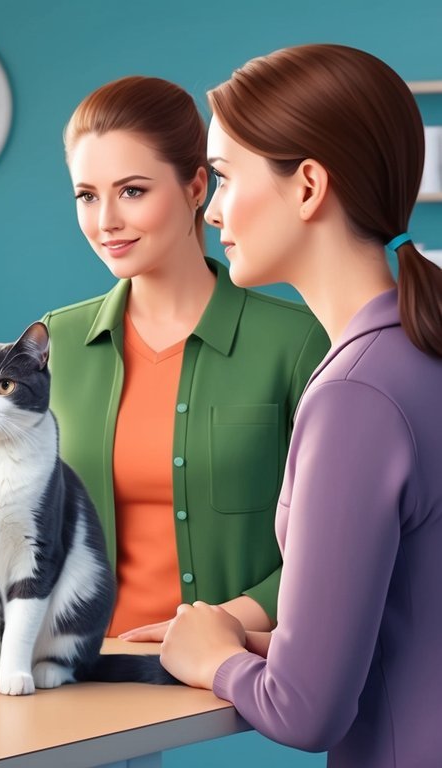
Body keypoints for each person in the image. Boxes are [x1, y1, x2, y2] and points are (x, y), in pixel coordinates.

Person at [160, 44, 442, 767]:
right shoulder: (415, 357)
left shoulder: (357, 392)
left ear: (308, 185)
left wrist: (211, 659)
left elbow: (304, 711)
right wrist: (270, 643)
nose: (211, 209)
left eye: (222, 177)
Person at [43, 76, 329, 641]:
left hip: (236, 684)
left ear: (197, 187)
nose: (105, 223)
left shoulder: (297, 344)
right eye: (86, 195)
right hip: (81, 677)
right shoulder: (57, 342)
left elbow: (335, 547)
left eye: (131, 191)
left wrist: (225, 623)